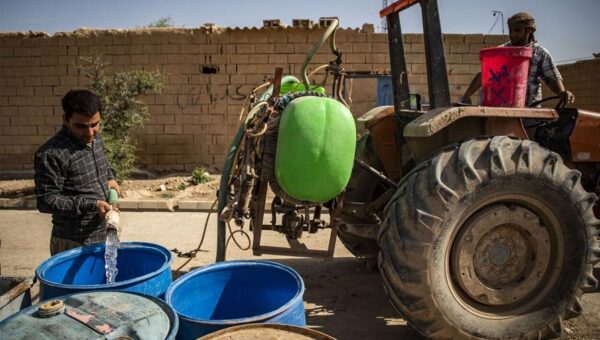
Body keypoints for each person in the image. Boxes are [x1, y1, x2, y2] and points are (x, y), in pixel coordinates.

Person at [34, 89, 122, 255]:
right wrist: (92, 204)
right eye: (81, 126)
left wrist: (110, 177)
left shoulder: (95, 138)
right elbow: (46, 201)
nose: (89, 132)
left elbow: (103, 162)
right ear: (66, 120)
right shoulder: (51, 154)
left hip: (103, 234)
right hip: (73, 243)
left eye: (94, 125)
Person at [462, 12, 575, 107]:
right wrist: (467, 95)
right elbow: (485, 74)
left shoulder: (540, 53)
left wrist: (562, 92)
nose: (512, 34)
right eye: (511, 30)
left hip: (530, 111)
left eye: (517, 31)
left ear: (528, 31)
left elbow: (552, 78)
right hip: (503, 110)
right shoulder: (502, 52)